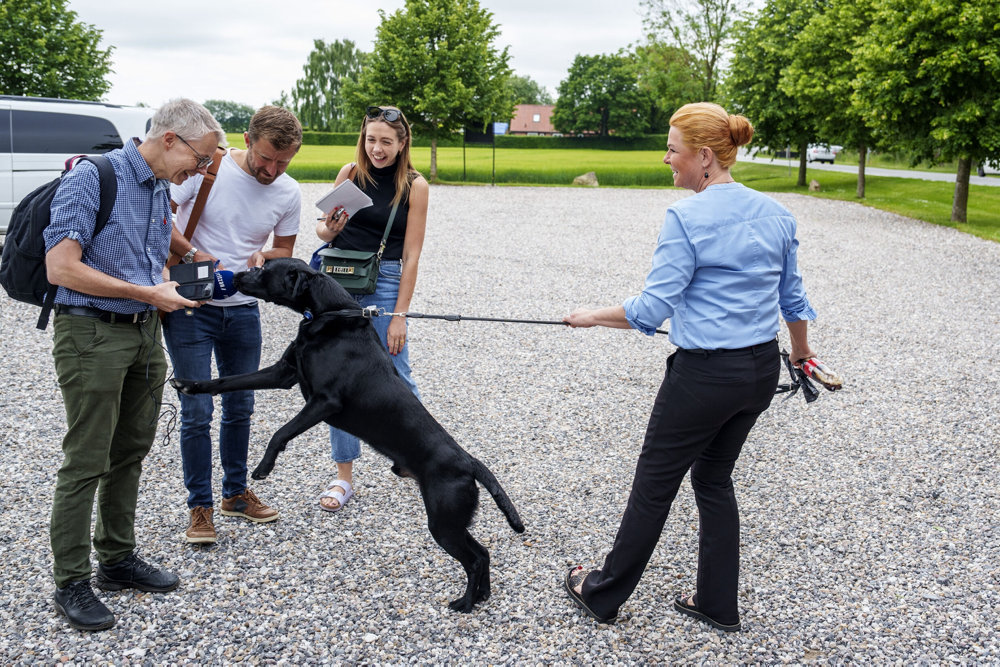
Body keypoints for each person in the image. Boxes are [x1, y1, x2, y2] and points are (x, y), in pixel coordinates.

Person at [562, 102, 822, 630]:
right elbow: (792, 302)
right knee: (713, 478)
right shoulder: (777, 213)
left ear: (705, 156)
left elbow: (651, 309)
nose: (666, 159)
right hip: (757, 374)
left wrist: (590, 316)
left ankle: (602, 593)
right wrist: (801, 355)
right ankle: (717, 604)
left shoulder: (686, 216)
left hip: (704, 378)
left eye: (673, 150)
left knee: (655, 484)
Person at [43, 98, 224, 631]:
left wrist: (192, 257)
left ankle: (116, 559)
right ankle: (71, 579)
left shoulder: (156, 185)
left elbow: (154, 238)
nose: (204, 169)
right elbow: (61, 267)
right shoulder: (90, 178)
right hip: (92, 333)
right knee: (87, 457)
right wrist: (147, 291)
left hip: (144, 333)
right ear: (170, 139)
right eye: (201, 157)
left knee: (131, 450)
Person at [164, 105, 303, 544]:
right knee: (197, 411)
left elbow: (284, 249)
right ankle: (199, 508)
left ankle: (235, 493)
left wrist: (266, 258)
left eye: (284, 162)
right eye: (266, 158)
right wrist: (191, 254)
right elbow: (158, 218)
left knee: (241, 408)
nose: (272, 169)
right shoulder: (209, 170)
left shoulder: (288, 192)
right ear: (247, 140)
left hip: (244, 308)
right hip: (190, 304)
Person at [314, 105, 429, 511]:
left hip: (384, 283)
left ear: (402, 144)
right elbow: (323, 231)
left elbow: (412, 255)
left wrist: (400, 314)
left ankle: (418, 456)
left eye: (386, 141)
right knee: (338, 377)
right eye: (371, 139)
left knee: (398, 372)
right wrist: (330, 227)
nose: (376, 148)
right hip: (338, 282)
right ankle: (343, 477)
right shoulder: (349, 174)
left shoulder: (415, 186)